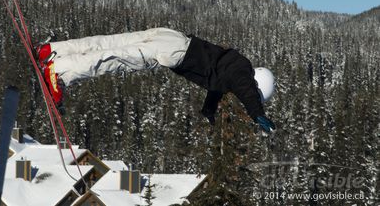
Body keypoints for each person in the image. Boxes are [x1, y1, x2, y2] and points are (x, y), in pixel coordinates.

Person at [36, 28, 276, 133]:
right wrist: (258, 114)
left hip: (172, 38)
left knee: (112, 42)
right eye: (256, 92)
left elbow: (217, 87)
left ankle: (52, 51)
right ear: (257, 84)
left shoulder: (234, 65)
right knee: (116, 58)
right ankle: (58, 71)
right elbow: (245, 89)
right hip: (175, 53)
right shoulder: (242, 75)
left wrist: (208, 111)